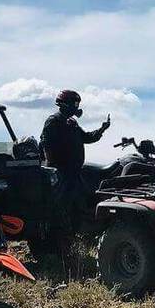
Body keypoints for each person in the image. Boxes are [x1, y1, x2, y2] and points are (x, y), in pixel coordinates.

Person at [40, 90, 110, 238]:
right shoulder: (54, 121)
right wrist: (55, 168)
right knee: (61, 207)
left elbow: (86, 138)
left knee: (77, 205)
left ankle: (75, 236)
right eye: (74, 104)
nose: (76, 107)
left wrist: (102, 129)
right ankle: (59, 240)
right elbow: (46, 144)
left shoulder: (72, 122)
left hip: (73, 172)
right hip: (60, 173)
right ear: (65, 104)